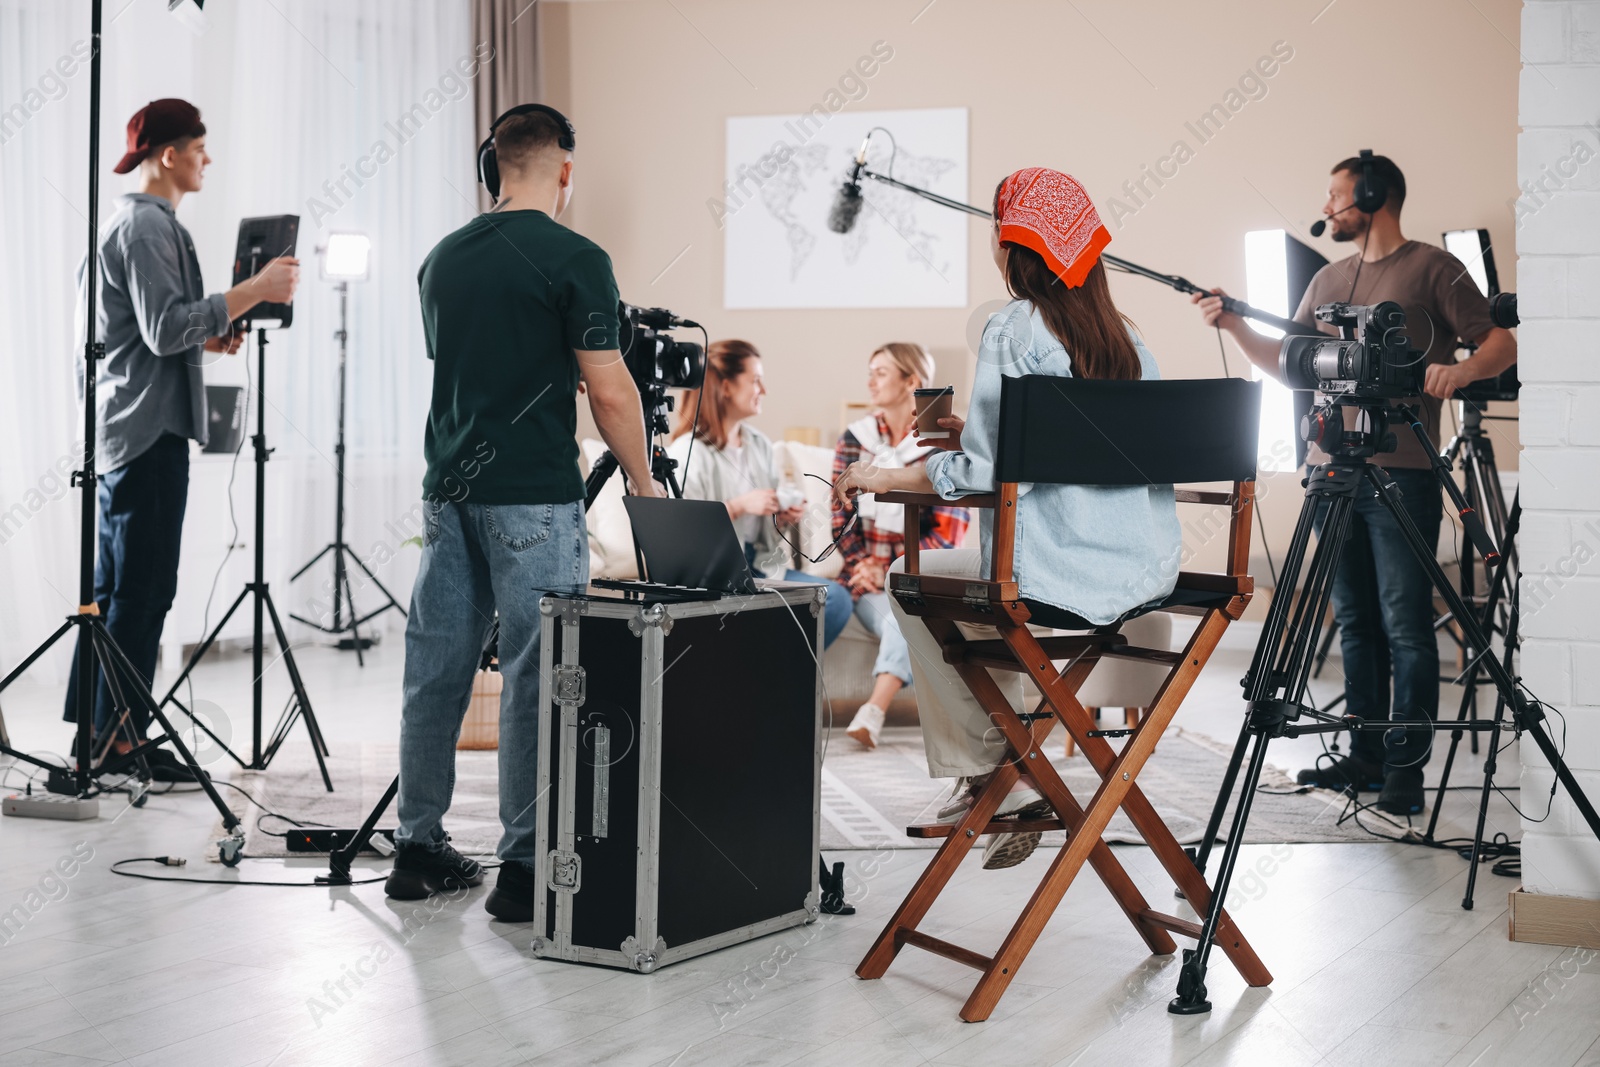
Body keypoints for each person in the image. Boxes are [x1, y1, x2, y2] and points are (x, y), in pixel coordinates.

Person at [835, 168, 1182, 869]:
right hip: (1145, 570)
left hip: (1050, 571)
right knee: (958, 593)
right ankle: (1014, 768)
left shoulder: (1012, 328)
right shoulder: (1131, 340)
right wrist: (983, 436)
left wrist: (884, 474)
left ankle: (1002, 769)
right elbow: (1057, 454)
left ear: (1011, 244)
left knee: (910, 578)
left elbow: (978, 478)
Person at [388, 105, 660, 920]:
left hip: (450, 494)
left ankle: (417, 846)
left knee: (435, 670)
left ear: (494, 165)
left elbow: (481, 370)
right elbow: (609, 389)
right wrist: (644, 484)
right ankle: (521, 869)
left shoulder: (442, 260)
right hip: (535, 497)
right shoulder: (576, 256)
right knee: (539, 678)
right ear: (565, 172)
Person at [1193, 153, 1517, 815]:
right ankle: (1364, 757)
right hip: (1333, 469)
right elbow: (1294, 366)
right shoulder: (1329, 276)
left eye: (1338, 194)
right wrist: (1235, 326)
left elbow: (1500, 344)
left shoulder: (1433, 268)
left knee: (1405, 625)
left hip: (1404, 474)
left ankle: (1406, 769)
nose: (1329, 206)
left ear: (1373, 195)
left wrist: (1455, 373)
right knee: (1357, 626)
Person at [63, 98, 300, 776]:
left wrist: (214, 335)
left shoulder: (129, 224)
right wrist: (254, 289)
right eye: (199, 147)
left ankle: (97, 737)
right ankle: (122, 743)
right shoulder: (146, 228)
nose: (207, 159)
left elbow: (146, 332)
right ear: (169, 155)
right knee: (142, 592)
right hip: (147, 432)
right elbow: (166, 328)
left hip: (122, 431)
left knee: (112, 594)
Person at [666, 339, 851, 647]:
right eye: (755, 380)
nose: (763, 390)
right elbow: (683, 530)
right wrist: (738, 506)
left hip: (760, 566)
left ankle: (780, 685)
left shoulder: (759, 444)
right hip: (713, 575)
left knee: (836, 601)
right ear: (726, 387)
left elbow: (767, 517)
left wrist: (782, 512)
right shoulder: (688, 452)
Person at [832, 343, 969, 750]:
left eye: (881, 372)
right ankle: (872, 714)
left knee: (903, 617)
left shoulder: (940, 444)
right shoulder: (854, 439)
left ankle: (873, 711)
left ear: (911, 382)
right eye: (870, 371)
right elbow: (838, 515)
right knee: (900, 619)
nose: (870, 381)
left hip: (913, 577)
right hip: (864, 581)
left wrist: (890, 566)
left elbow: (946, 535)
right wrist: (864, 565)